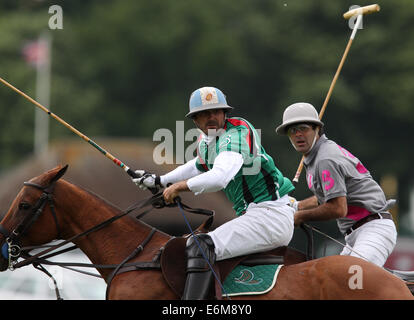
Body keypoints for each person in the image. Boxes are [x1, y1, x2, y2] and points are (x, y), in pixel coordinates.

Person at [134, 86, 295, 299]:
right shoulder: (206, 141)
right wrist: (160, 180)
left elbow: (220, 177)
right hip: (257, 216)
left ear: (224, 113)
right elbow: (197, 165)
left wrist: (178, 187)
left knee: (200, 246)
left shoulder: (236, 133)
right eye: (204, 114)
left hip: (269, 217)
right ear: (195, 120)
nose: (211, 117)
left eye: (216, 111)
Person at [275, 102, 397, 267]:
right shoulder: (316, 156)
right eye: (292, 130)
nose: (298, 135)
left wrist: (300, 216)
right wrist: (296, 206)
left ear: (316, 129)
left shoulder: (325, 159)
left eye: (303, 128)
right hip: (354, 234)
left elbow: (338, 208)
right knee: (333, 287)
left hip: (373, 228)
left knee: (354, 282)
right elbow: (327, 196)